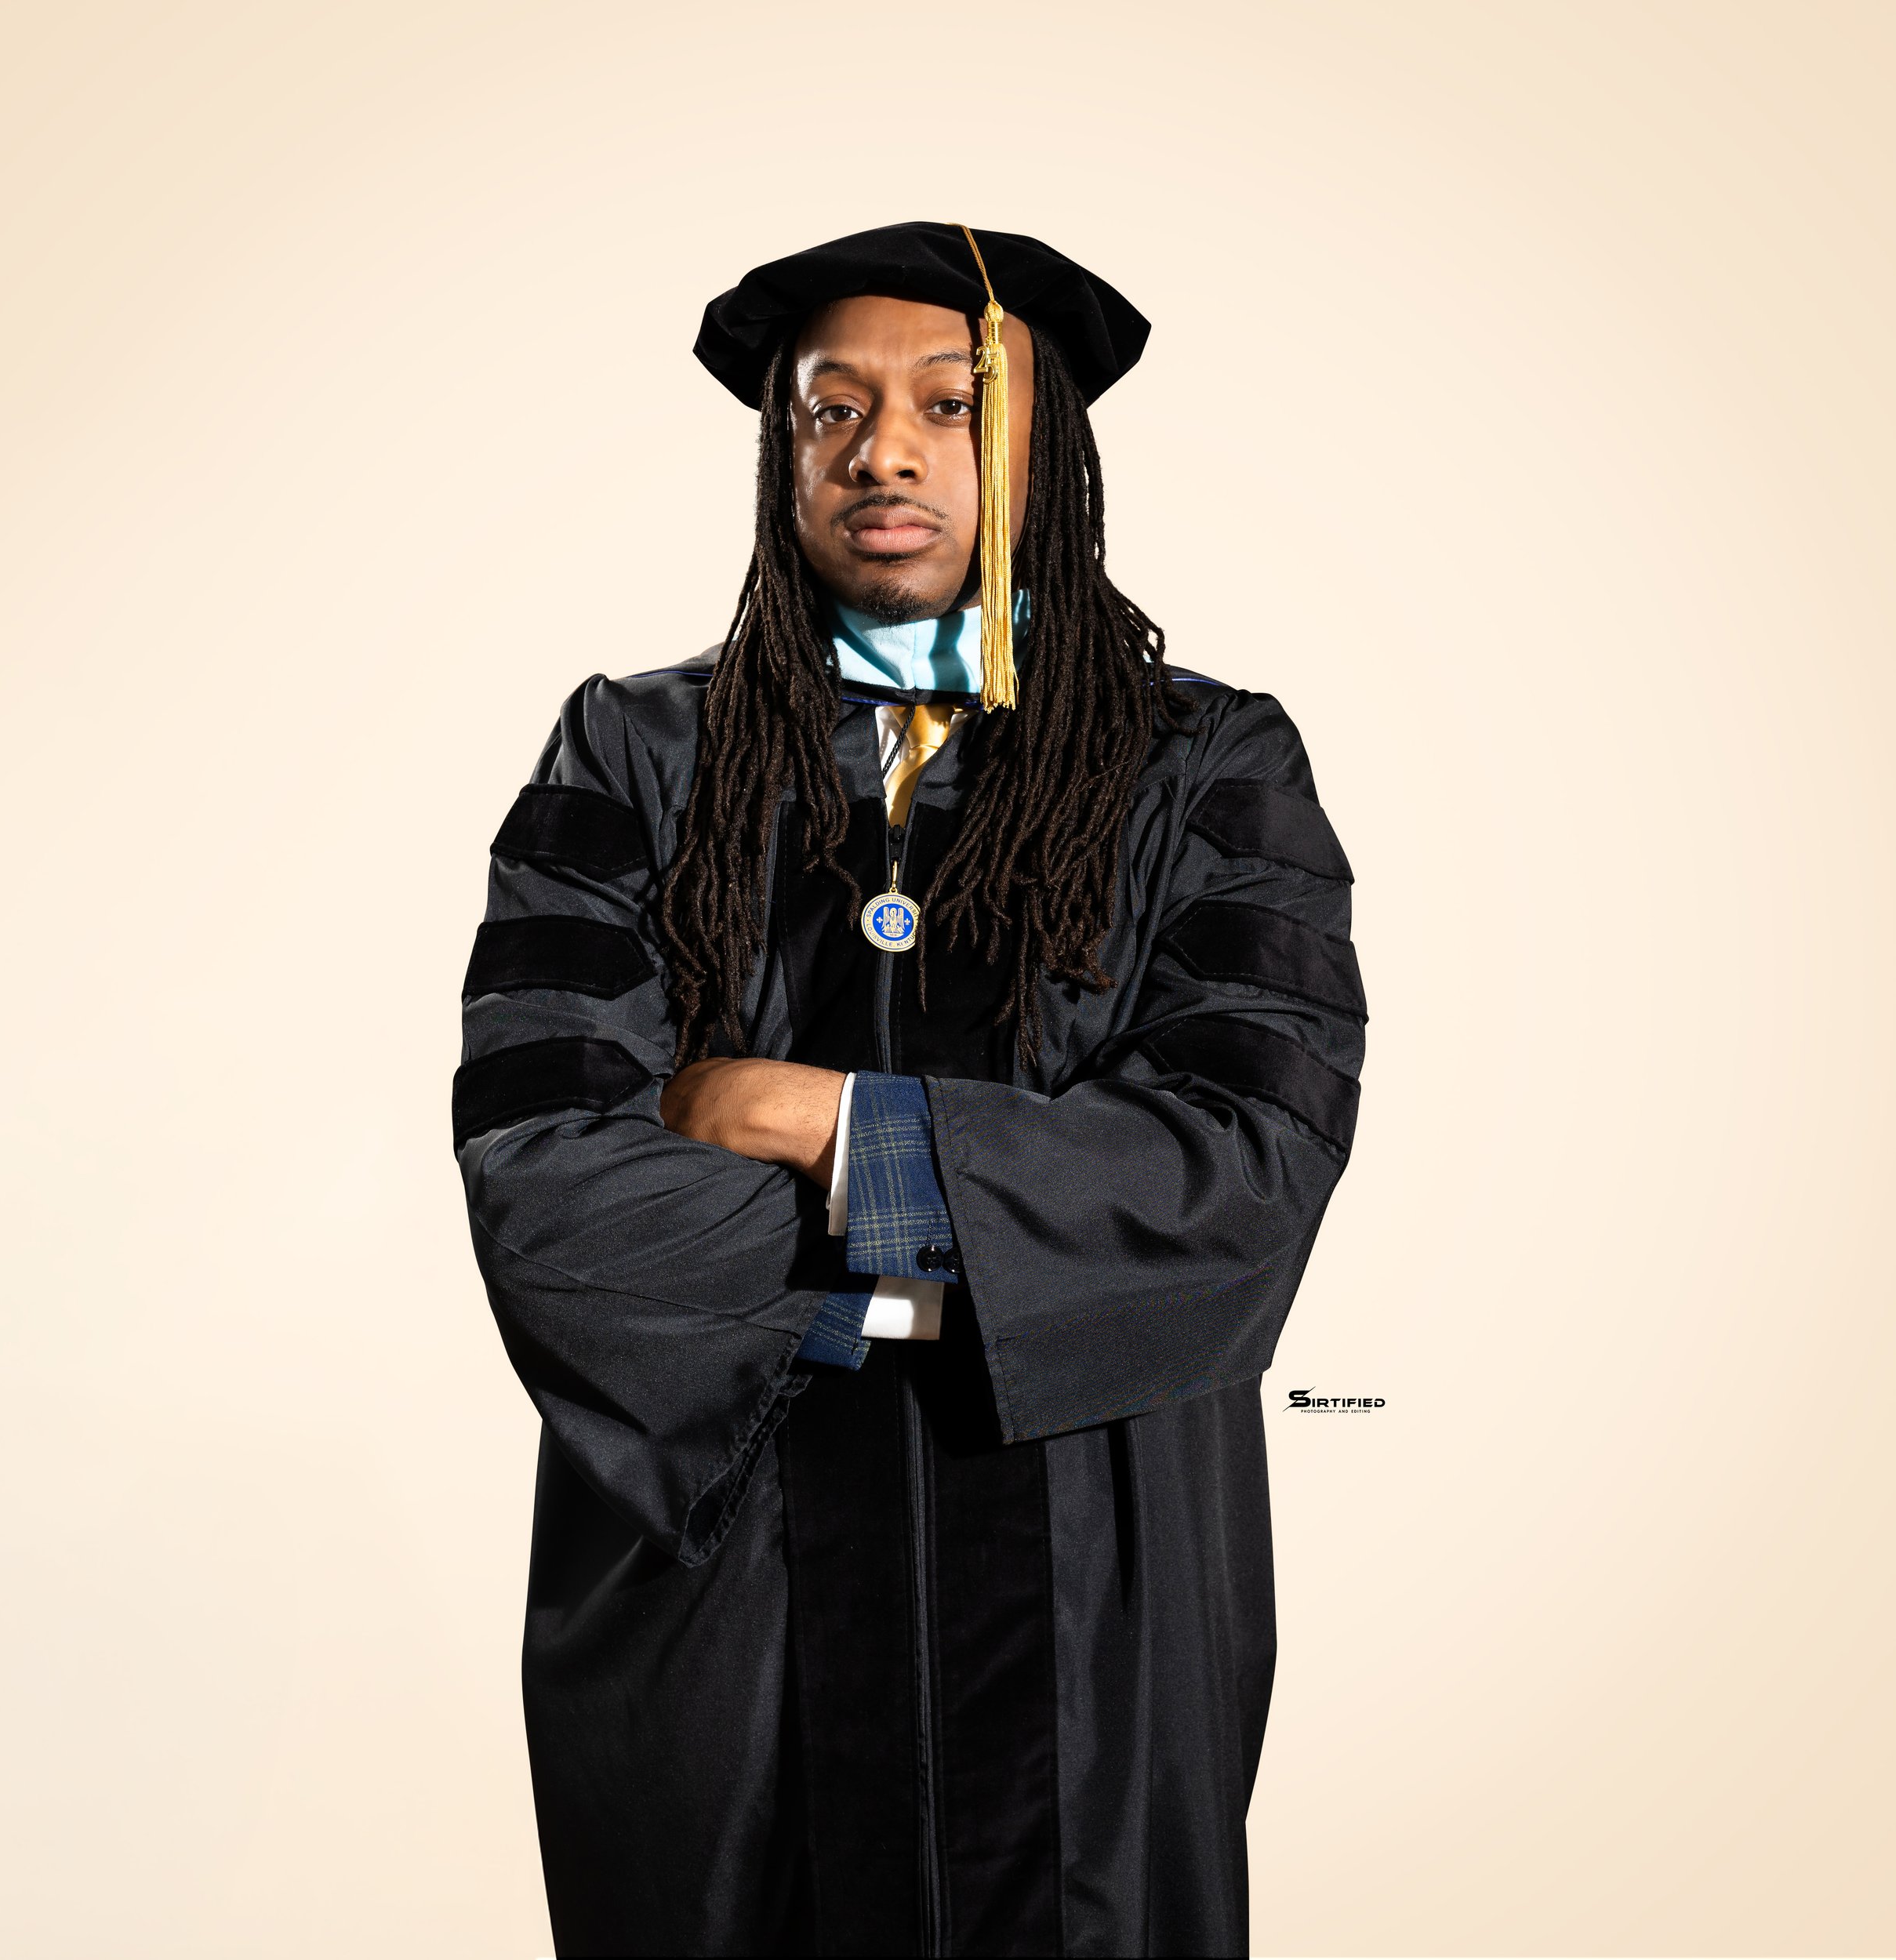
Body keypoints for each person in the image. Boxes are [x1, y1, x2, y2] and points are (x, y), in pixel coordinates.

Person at [453, 221, 1365, 1958]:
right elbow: (547, 1176)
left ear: (1045, 452)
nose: (881, 448)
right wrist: (979, 1247)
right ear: (779, 450)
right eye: (830, 409)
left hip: (1092, 1571)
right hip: (721, 1572)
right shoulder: (641, 757)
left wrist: (816, 1121)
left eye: (952, 405)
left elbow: (1244, 1158)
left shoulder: (1204, 765)